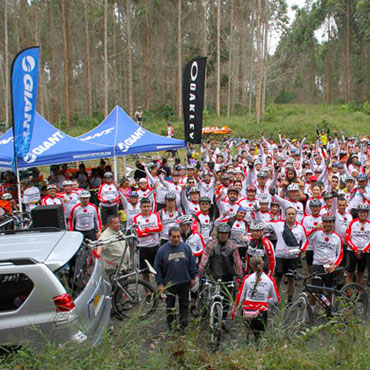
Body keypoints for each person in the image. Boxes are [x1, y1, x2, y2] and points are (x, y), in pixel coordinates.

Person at [198, 223, 243, 330]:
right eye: (221, 233)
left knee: (227, 299)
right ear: (218, 234)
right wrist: (201, 271)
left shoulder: (232, 246)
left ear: (229, 234)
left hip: (228, 275)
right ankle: (206, 310)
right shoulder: (211, 245)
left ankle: (223, 320)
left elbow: (238, 262)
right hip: (213, 275)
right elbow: (204, 258)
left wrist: (239, 276)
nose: (223, 236)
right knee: (210, 295)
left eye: (225, 234)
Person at [154, 226, 197, 331]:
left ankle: (184, 325)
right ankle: (171, 325)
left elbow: (192, 263)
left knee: (184, 304)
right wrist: (159, 283)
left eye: (178, 236)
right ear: (169, 237)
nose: (176, 239)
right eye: (174, 236)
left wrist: (192, 277)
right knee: (170, 305)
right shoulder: (162, 250)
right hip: (170, 283)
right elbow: (157, 268)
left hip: (184, 281)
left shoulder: (185, 247)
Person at [265, 207, 306, 304]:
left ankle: (290, 301)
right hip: (279, 257)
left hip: (293, 258)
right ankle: (274, 300)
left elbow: (305, 241)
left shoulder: (300, 227)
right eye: (289, 214)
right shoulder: (278, 224)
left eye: (293, 214)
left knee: (291, 279)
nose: (291, 216)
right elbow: (263, 225)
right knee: (277, 279)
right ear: (285, 215)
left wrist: (301, 250)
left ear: (296, 215)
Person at [232, 256, 280, 339]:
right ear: (263, 264)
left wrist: (234, 311)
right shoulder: (270, 280)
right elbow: (276, 299)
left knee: (250, 331)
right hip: (261, 312)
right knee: (260, 336)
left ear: (251, 266)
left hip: (247, 312)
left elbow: (240, 297)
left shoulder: (247, 278)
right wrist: (265, 300)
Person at [304, 212, 343, 312]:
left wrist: (334, 266)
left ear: (333, 223)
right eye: (326, 222)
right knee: (314, 291)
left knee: (329, 290)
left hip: (330, 266)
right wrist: (316, 229)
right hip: (317, 265)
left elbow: (340, 254)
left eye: (330, 222)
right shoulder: (317, 234)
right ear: (322, 222)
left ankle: (329, 311)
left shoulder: (337, 237)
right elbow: (306, 237)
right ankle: (311, 312)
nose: (328, 224)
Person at [133, 198, 163, 284]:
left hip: (155, 246)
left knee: (158, 269)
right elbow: (139, 233)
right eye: (144, 207)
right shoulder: (137, 218)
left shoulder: (155, 216)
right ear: (141, 207)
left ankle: (160, 288)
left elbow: (160, 228)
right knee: (144, 272)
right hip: (143, 247)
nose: (146, 208)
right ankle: (148, 292)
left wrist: (147, 230)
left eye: (148, 206)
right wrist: (152, 231)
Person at [345, 203, 370, 285]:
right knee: (350, 273)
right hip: (352, 251)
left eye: (365, 212)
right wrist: (355, 249)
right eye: (361, 212)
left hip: (364, 252)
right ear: (358, 213)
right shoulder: (352, 223)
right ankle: (347, 293)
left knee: (360, 273)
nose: (363, 214)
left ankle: (360, 294)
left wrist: (363, 250)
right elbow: (347, 238)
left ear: (367, 213)